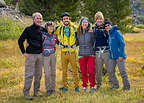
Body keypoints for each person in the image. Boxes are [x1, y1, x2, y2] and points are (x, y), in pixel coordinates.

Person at [18, 12, 44, 100]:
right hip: (31, 55)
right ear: (33, 19)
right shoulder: (28, 29)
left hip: (40, 55)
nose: (39, 20)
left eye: (40, 18)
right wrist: (23, 52)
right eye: (37, 18)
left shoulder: (43, 29)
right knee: (29, 75)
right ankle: (26, 93)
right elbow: (20, 40)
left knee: (38, 74)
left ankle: (36, 91)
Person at [55, 12, 80, 92]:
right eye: (64, 19)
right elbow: (53, 34)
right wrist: (58, 43)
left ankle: (77, 86)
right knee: (64, 70)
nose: (66, 20)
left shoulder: (75, 27)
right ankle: (65, 86)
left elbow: (81, 35)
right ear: (62, 20)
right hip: (63, 52)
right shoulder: (59, 28)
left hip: (72, 52)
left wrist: (76, 44)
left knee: (75, 70)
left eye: (67, 18)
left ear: (69, 19)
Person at [104, 18, 131, 90]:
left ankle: (127, 87)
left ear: (111, 25)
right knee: (110, 71)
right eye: (105, 26)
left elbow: (122, 44)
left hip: (119, 56)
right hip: (112, 57)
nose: (107, 27)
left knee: (122, 72)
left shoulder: (117, 32)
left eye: (108, 25)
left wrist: (121, 55)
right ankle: (116, 85)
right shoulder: (110, 34)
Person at [92, 11, 112, 91]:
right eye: (97, 19)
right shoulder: (93, 28)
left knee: (109, 68)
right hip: (97, 52)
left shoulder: (106, 27)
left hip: (106, 51)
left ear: (102, 19)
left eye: (100, 19)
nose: (99, 20)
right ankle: (99, 84)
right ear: (95, 20)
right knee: (98, 69)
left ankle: (112, 83)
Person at [77, 17, 96, 92]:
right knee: (83, 71)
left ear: (88, 23)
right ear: (81, 24)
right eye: (83, 22)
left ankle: (92, 86)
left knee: (91, 71)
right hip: (81, 54)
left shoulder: (91, 32)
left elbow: (94, 41)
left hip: (90, 53)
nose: (84, 24)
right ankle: (84, 86)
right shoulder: (78, 32)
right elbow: (76, 42)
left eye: (86, 22)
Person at [42, 21, 59, 96]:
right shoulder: (43, 35)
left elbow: (59, 43)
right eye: (49, 26)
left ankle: (53, 88)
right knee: (47, 73)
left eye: (52, 27)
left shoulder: (55, 35)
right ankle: (48, 89)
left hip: (53, 54)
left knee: (53, 72)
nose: (51, 28)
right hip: (45, 55)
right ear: (46, 27)